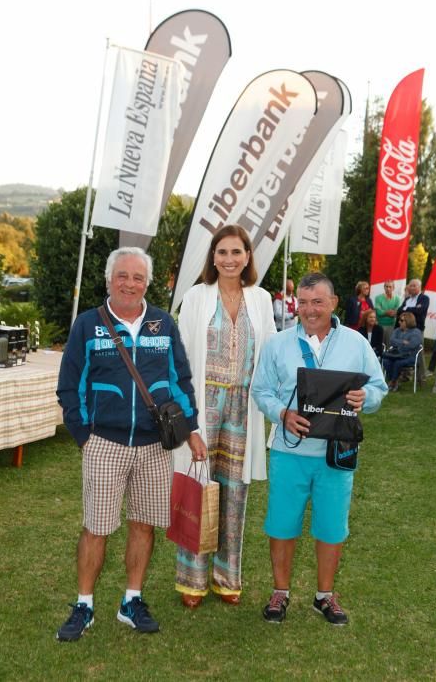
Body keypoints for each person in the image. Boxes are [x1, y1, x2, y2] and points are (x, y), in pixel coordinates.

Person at [56, 247, 207, 642]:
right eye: (122, 275)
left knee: (144, 525)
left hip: (155, 446)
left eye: (138, 277)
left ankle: (131, 601)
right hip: (104, 442)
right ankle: (84, 605)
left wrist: (190, 429)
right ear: (109, 280)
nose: (129, 283)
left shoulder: (162, 323)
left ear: (147, 283)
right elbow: (69, 385)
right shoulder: (88, 325)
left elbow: (181, 379)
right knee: (96, 527)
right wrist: (83, 435)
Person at [251, 273, 387, 626]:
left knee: (331, 527)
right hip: (288, 451)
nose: (309, 310)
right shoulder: (277, 344)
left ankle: (324, 595)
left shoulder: (356, 343)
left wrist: (365, 397)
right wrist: (281, 413)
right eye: (303, 302)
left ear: (334, 303)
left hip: (336, 454)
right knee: (282, 524)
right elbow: (261, 390)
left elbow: (377, 388)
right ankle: (280, 592)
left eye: (318, 302)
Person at [173, 224, 276, 608]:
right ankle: (191, 580)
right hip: (204, 404)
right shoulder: (196, 296)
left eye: (236, 252)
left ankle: (227, 577)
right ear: (212, 257)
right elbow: (179, 360)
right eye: (222, 252)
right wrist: (187, 418)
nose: (229, 259)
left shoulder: (261, 299)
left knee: (235, 491)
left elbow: (270, 356)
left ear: (248, 256)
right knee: (197, 487)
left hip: (244, 407)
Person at [383, 312, 423, 392]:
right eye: (399, 320)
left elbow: (411, 345)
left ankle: (393, 382)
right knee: (386, 361)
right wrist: (403, 342)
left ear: (408, 321)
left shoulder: (416, 332)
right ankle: (393, 381)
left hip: (411, 356)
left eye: (401, 320)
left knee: (398, 363)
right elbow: (391, 341)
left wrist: (399, 343)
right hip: (397, 354)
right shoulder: (397, 330)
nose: (399, 322)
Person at [374, 280, 401, 347]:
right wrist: (389, 312)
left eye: (390, 287)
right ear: (384, 287)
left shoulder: (397, 298)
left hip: (391, 326)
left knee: (389, 345)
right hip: (380, 325)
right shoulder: (378, 298)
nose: (388, 288)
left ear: (393, 288)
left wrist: (384, 312)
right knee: (380, 345)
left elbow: (396, 313)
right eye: (386, 286)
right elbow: (379, 312)